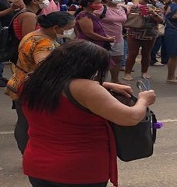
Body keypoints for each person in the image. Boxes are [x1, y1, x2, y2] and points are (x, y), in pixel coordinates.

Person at [20, 40, 156, 187]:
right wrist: (144, 100)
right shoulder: (86, 89)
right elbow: (130, 117)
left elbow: (63, 85)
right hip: (79, 170)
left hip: (37, 164)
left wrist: (106, 85)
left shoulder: (32, 81)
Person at [7, 11, 75, 154]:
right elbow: (44, 65)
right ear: (56, 27)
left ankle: (26, 153)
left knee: (23, 121)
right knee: (31, 124)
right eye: (69, 27)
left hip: (20, 82)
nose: (71, 31)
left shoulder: (33, 35)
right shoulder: (44, 43)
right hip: (35, 88)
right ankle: (30, 153)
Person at [124, 0, 163, 81]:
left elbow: (161, 21)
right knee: (132, 53)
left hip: (150, 34)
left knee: (146, 53)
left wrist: (153, 13)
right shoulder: (134, 8)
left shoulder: (156, 9)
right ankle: (127, 72)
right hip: (134, 32)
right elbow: (127, 17)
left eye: (146, 0)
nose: (143, 2)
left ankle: (144, 72)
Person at [99, 0, 129, 83]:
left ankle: (115, 80)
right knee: (102, 60)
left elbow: (124, 21)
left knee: (117, 59)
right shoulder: (101, 9)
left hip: (119, 38)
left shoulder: (123, 9)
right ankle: (100, 80)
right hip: (103, 38)